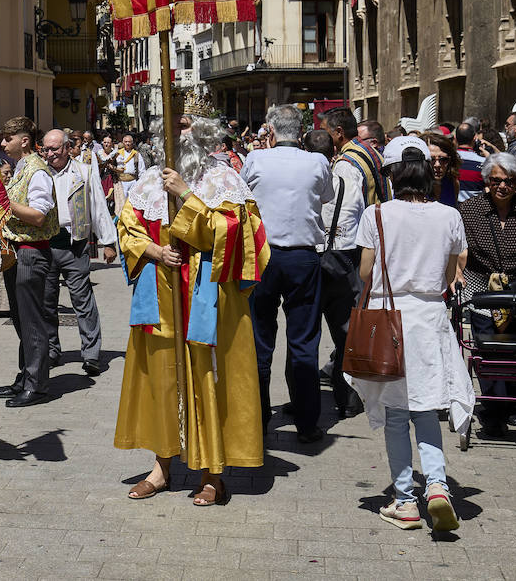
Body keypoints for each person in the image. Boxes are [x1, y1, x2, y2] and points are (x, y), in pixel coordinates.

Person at [116, 117, 269, 505]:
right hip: (162, 295)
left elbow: (236, 236)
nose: (176, 133)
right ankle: (161, 467)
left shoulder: (223, 179)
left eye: (183, 125)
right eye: (170, 125)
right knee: (164, 379)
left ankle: (212, 473)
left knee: (208, 379)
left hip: (209, 297)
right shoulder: (150, 179)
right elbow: (127, 227)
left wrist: (186, 195)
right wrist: (152, 250)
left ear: (203, 132)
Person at [345, 137, 472, 532]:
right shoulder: (449, 215)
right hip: (430, 319)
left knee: (397, 415)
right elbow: (450, 274)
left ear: (393, 175)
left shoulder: (377, 214)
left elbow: (365, 273)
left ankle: (405, 500)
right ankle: (437, 486)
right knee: (427, 409)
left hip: (389, 320)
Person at [241, 104, 334, 442]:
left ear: (271, 130)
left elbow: (242, 196)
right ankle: (308, 424)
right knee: (304, 340)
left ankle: (258, 419)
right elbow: (326, 196)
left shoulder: (255, 159)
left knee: (260, 338)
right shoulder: (317, 162)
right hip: (302, 256)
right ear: (301, 131)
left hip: (264, 255)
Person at [457, 151, 516, 437]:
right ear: (487, 180)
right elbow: (458, 248)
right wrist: (457, 272)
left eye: (509, 181)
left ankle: (510, 404)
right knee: (488, 347)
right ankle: (495, 408)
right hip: (481, 287)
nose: (502, 186)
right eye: (496, 180)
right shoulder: (469, 209)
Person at [40, 128, 116, 377]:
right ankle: (52, 351)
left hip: (75, 243)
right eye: (46, 149)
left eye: (54, 149)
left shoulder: (84, 171)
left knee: (83, 301)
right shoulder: (39, 172)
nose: (50, 154)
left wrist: (108, 242)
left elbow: (98, 205)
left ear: (66, 148)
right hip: (46, 244)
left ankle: (91, 354)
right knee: (47, 301)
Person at [0, 116, 58, 408]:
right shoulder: (21, 167)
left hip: (32, 251)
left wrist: (5, 204)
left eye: (8, 138)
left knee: (32, 321)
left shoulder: (37, 170)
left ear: (24, 141)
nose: (3, 143)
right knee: (21, 318)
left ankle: (37, 384)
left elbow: (39, 215)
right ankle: (26, 376)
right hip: (18, 251)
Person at [307, 127, 364, 418]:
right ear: (334, 153)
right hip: (343, 259)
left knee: (305, 335)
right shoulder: (349, 182)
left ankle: (304, 402)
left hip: (310, 259)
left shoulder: (301, 184)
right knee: (345, 334)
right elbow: (360, 220)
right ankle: (348, 398)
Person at [322, 108, 390, 207]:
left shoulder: (345, 164)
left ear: (339, 132)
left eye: (324, 131)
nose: (321, 136)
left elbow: (345, 209)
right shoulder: (370, 150)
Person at [421, 132, 461, 207]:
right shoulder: (413, 188)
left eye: (443, 159)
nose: (437, 165)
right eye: (431, 159)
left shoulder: (453, 183)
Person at [454, 122, 486, 201]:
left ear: (455, 138)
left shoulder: (446, 159)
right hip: (474, 206)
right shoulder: (483, 162)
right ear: (474, 138)